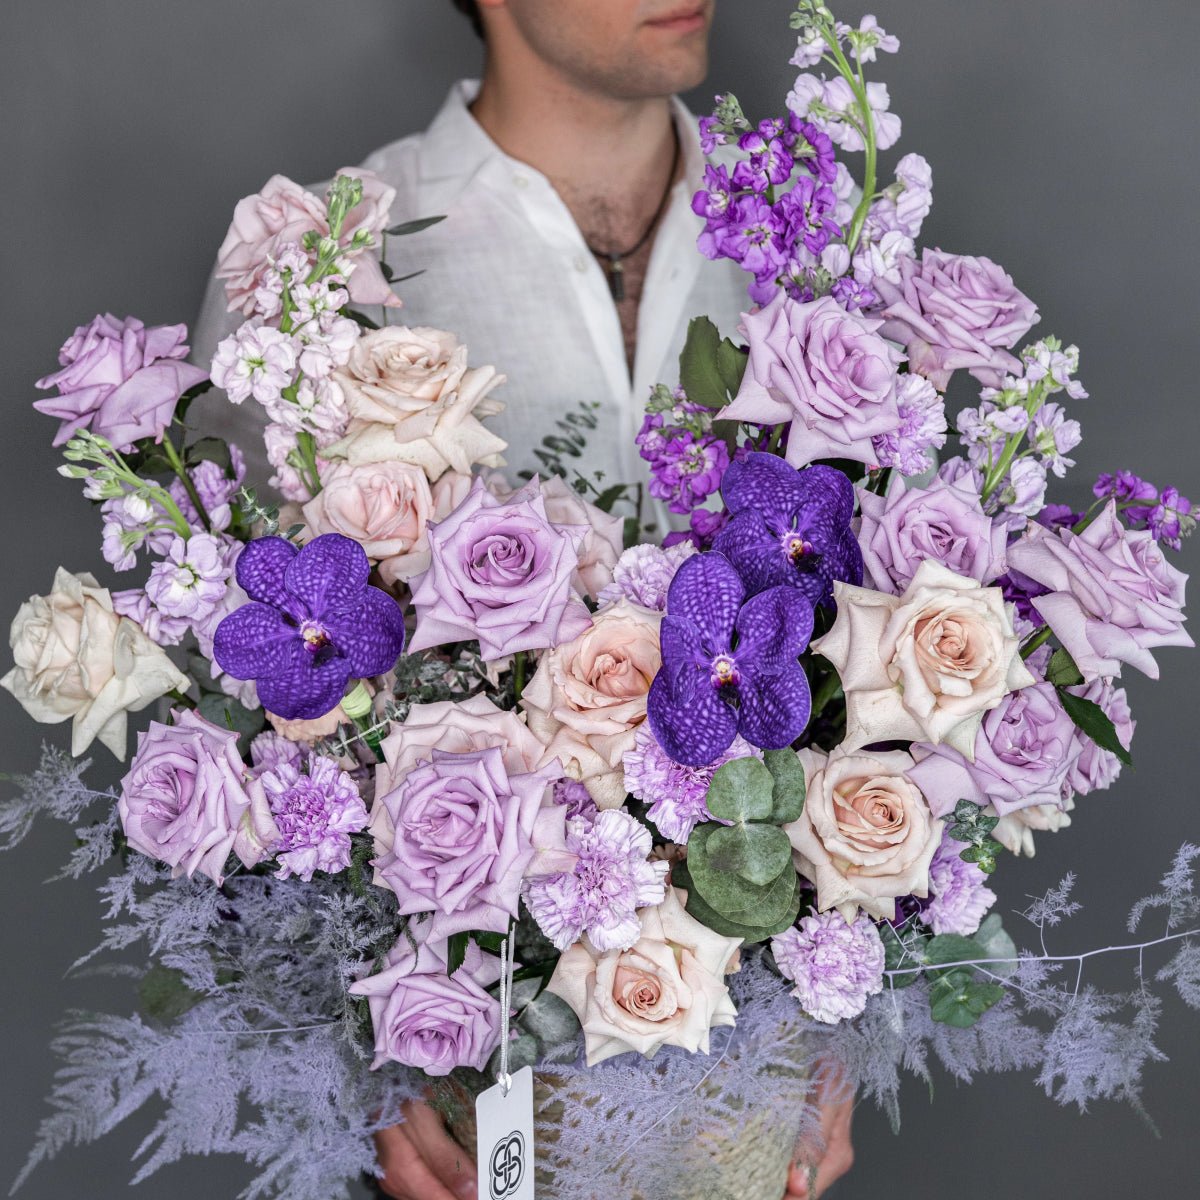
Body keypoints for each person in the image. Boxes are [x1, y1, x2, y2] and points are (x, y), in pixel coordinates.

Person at [194, 1, 856, 1196]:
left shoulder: (807, 233)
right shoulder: (330, 261)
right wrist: (361, 1077)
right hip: (473, 1083)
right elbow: (244, 710)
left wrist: (843, 1008)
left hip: (743, 1073)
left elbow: (880, 630)